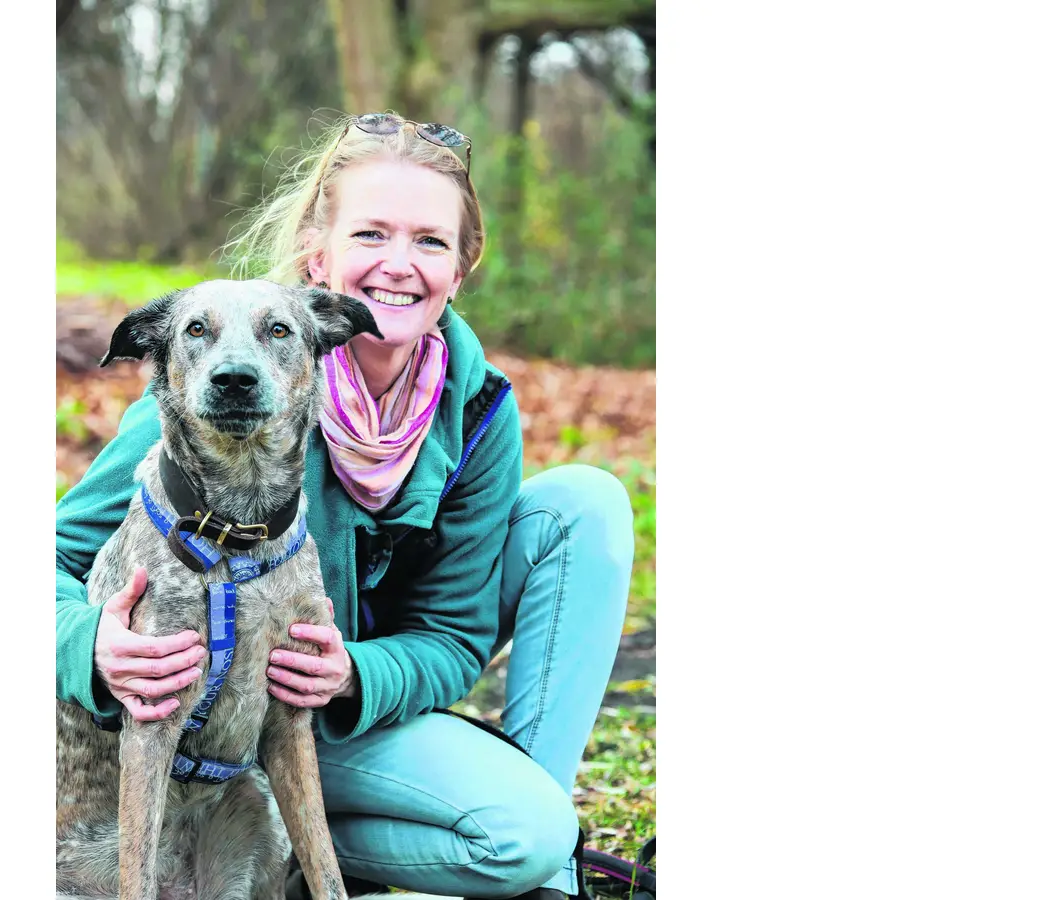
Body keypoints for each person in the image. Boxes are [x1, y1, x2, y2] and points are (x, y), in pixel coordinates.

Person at [56, 112, 635, 900]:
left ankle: (541, 858)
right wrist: (94, 645)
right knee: (512, 834)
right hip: (205, 734)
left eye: (430, 241)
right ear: (316, 255)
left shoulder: (476, 409)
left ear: (461, 268)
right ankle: (289, 854)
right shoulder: (214, 391)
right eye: (371, 235)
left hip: (342, 725)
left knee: (584, 503)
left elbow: (454, 635)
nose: (398, 264)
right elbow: (50, 560)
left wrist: (351, 672)